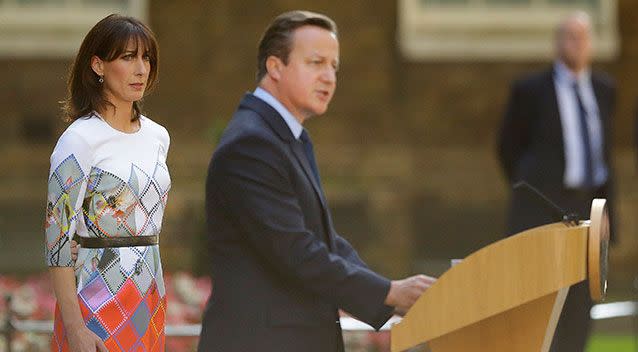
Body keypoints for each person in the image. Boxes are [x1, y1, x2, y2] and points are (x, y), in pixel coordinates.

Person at [198, 10, 435, 352]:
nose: (329, 77)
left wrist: (390, 293)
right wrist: (388, 292)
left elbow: (324, 240)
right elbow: (296, 252)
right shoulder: (251, 144)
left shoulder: (286, 136)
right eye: (316, 62)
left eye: (334, 67)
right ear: (275, 67)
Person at [45, 14, 170, 352]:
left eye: (147, 58)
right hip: (95, 298)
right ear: (98, 65)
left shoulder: (158, 136)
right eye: (127, 57)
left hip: (149, 297)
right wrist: (75, 329)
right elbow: (56, 244)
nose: (141, 69)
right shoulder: (79, 141)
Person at [497, 11, 616, 352]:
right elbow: (507, 148)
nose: (577, 44)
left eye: (583, 37)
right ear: (557, 42)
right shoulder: (531, 90)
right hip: (543, 208)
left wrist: (606, 210)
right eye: (570, 36)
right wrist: (528, 192)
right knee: (538, 302)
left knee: (581, 305)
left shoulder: (604, 90)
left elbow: (605, 158)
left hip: (588, 208)